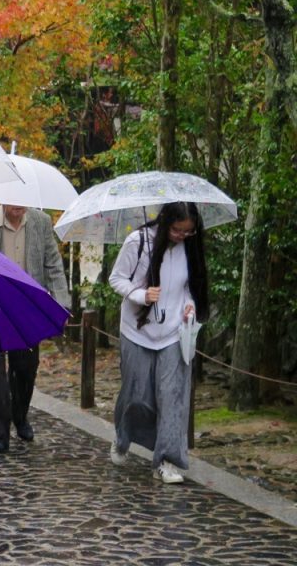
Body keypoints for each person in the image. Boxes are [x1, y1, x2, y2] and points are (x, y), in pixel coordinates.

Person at [108, 201, 209, 484]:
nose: (181, 236)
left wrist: (189, 305)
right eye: (177, 230)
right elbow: (116, 279)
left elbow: (190, 285)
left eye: (188, 232)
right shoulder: (138, 241)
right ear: (166, 222)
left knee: (172, 397)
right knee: (136, 395)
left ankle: (167, 460)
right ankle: (123, 437)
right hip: (137, 330)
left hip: (174, 332)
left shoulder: (189, 246)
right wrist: (140, 295)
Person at [0, 204, 70, 454]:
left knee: (25, 367)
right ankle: (0, 433)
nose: (18, 207)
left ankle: (20, 416)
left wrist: (61, 305)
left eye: (22, 202)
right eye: (12, 201)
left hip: (27, 306)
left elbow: (53, 265)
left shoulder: (41, 222)